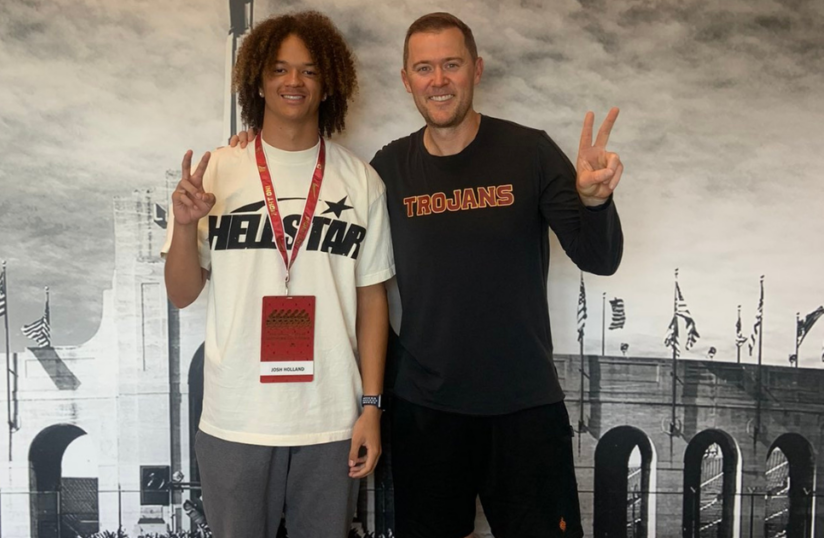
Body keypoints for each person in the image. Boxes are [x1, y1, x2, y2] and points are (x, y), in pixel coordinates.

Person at [233, 11, 624, 538]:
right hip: (426, 414)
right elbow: (328, 253)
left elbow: (599, 259)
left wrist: (595, 203)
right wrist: (252, 147)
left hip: (524, 408)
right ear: (406, 80)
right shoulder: (386, 170)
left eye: (451, 64)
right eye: (423, 68)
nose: (438, 80)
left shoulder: (530, 152)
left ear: (476, 69)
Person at [163, 10, 394, 538]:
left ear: (328, 82)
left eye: (309, 71)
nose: (294, 82)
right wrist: (182, 227)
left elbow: (373, 299)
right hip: (236, 417)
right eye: (279, 69)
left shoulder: (361, 182)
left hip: (331, 417)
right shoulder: (218, 170)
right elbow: (181, 294)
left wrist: (371, 408)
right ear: (257, 82)